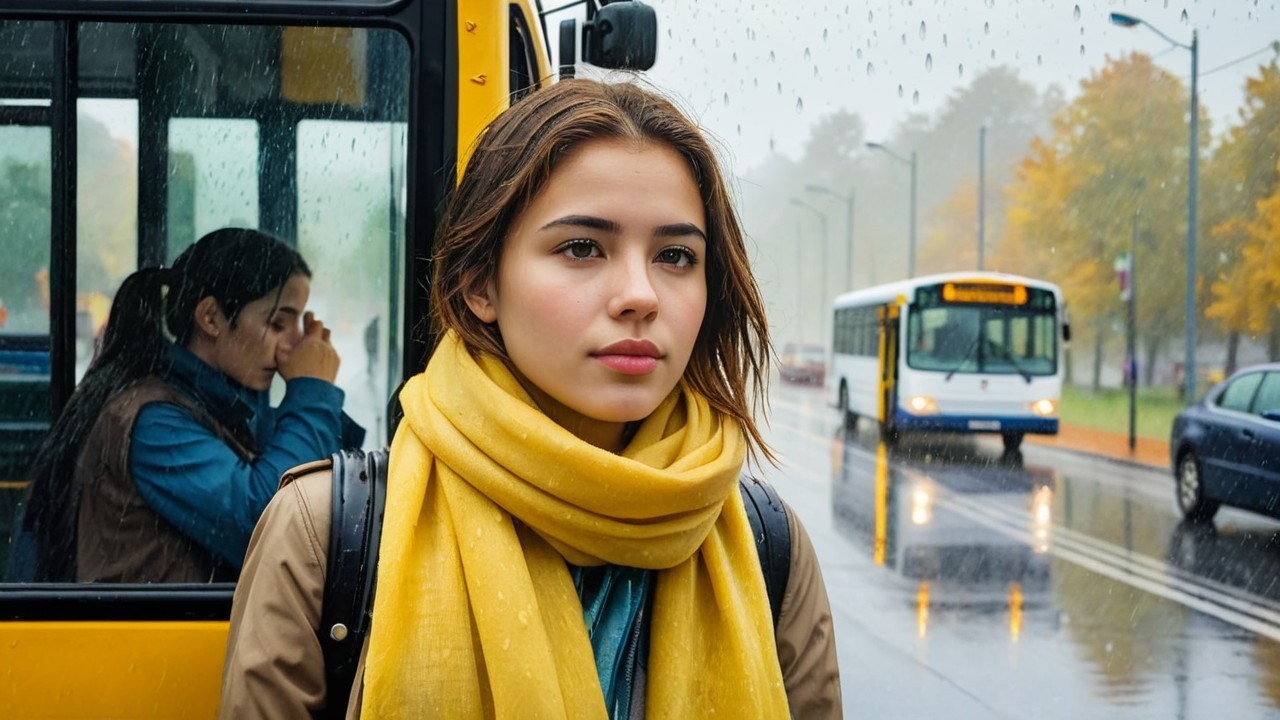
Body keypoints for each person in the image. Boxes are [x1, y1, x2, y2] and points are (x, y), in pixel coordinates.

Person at [219, 79, 841, 718]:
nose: (641, 294)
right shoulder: (329, 532)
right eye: (581, 248)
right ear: (479, 286)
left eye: (676, 256)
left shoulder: (769, 548)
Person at [22, 227, 364, 583]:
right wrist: (311, 390)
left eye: (300, 323)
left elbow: (329, 495)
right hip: (148, 635)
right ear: (211, 318)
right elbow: (269, 525)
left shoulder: (227, 405)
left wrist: (314, 396)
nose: (292, 345)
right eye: (277, 323)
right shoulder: (152, 421)